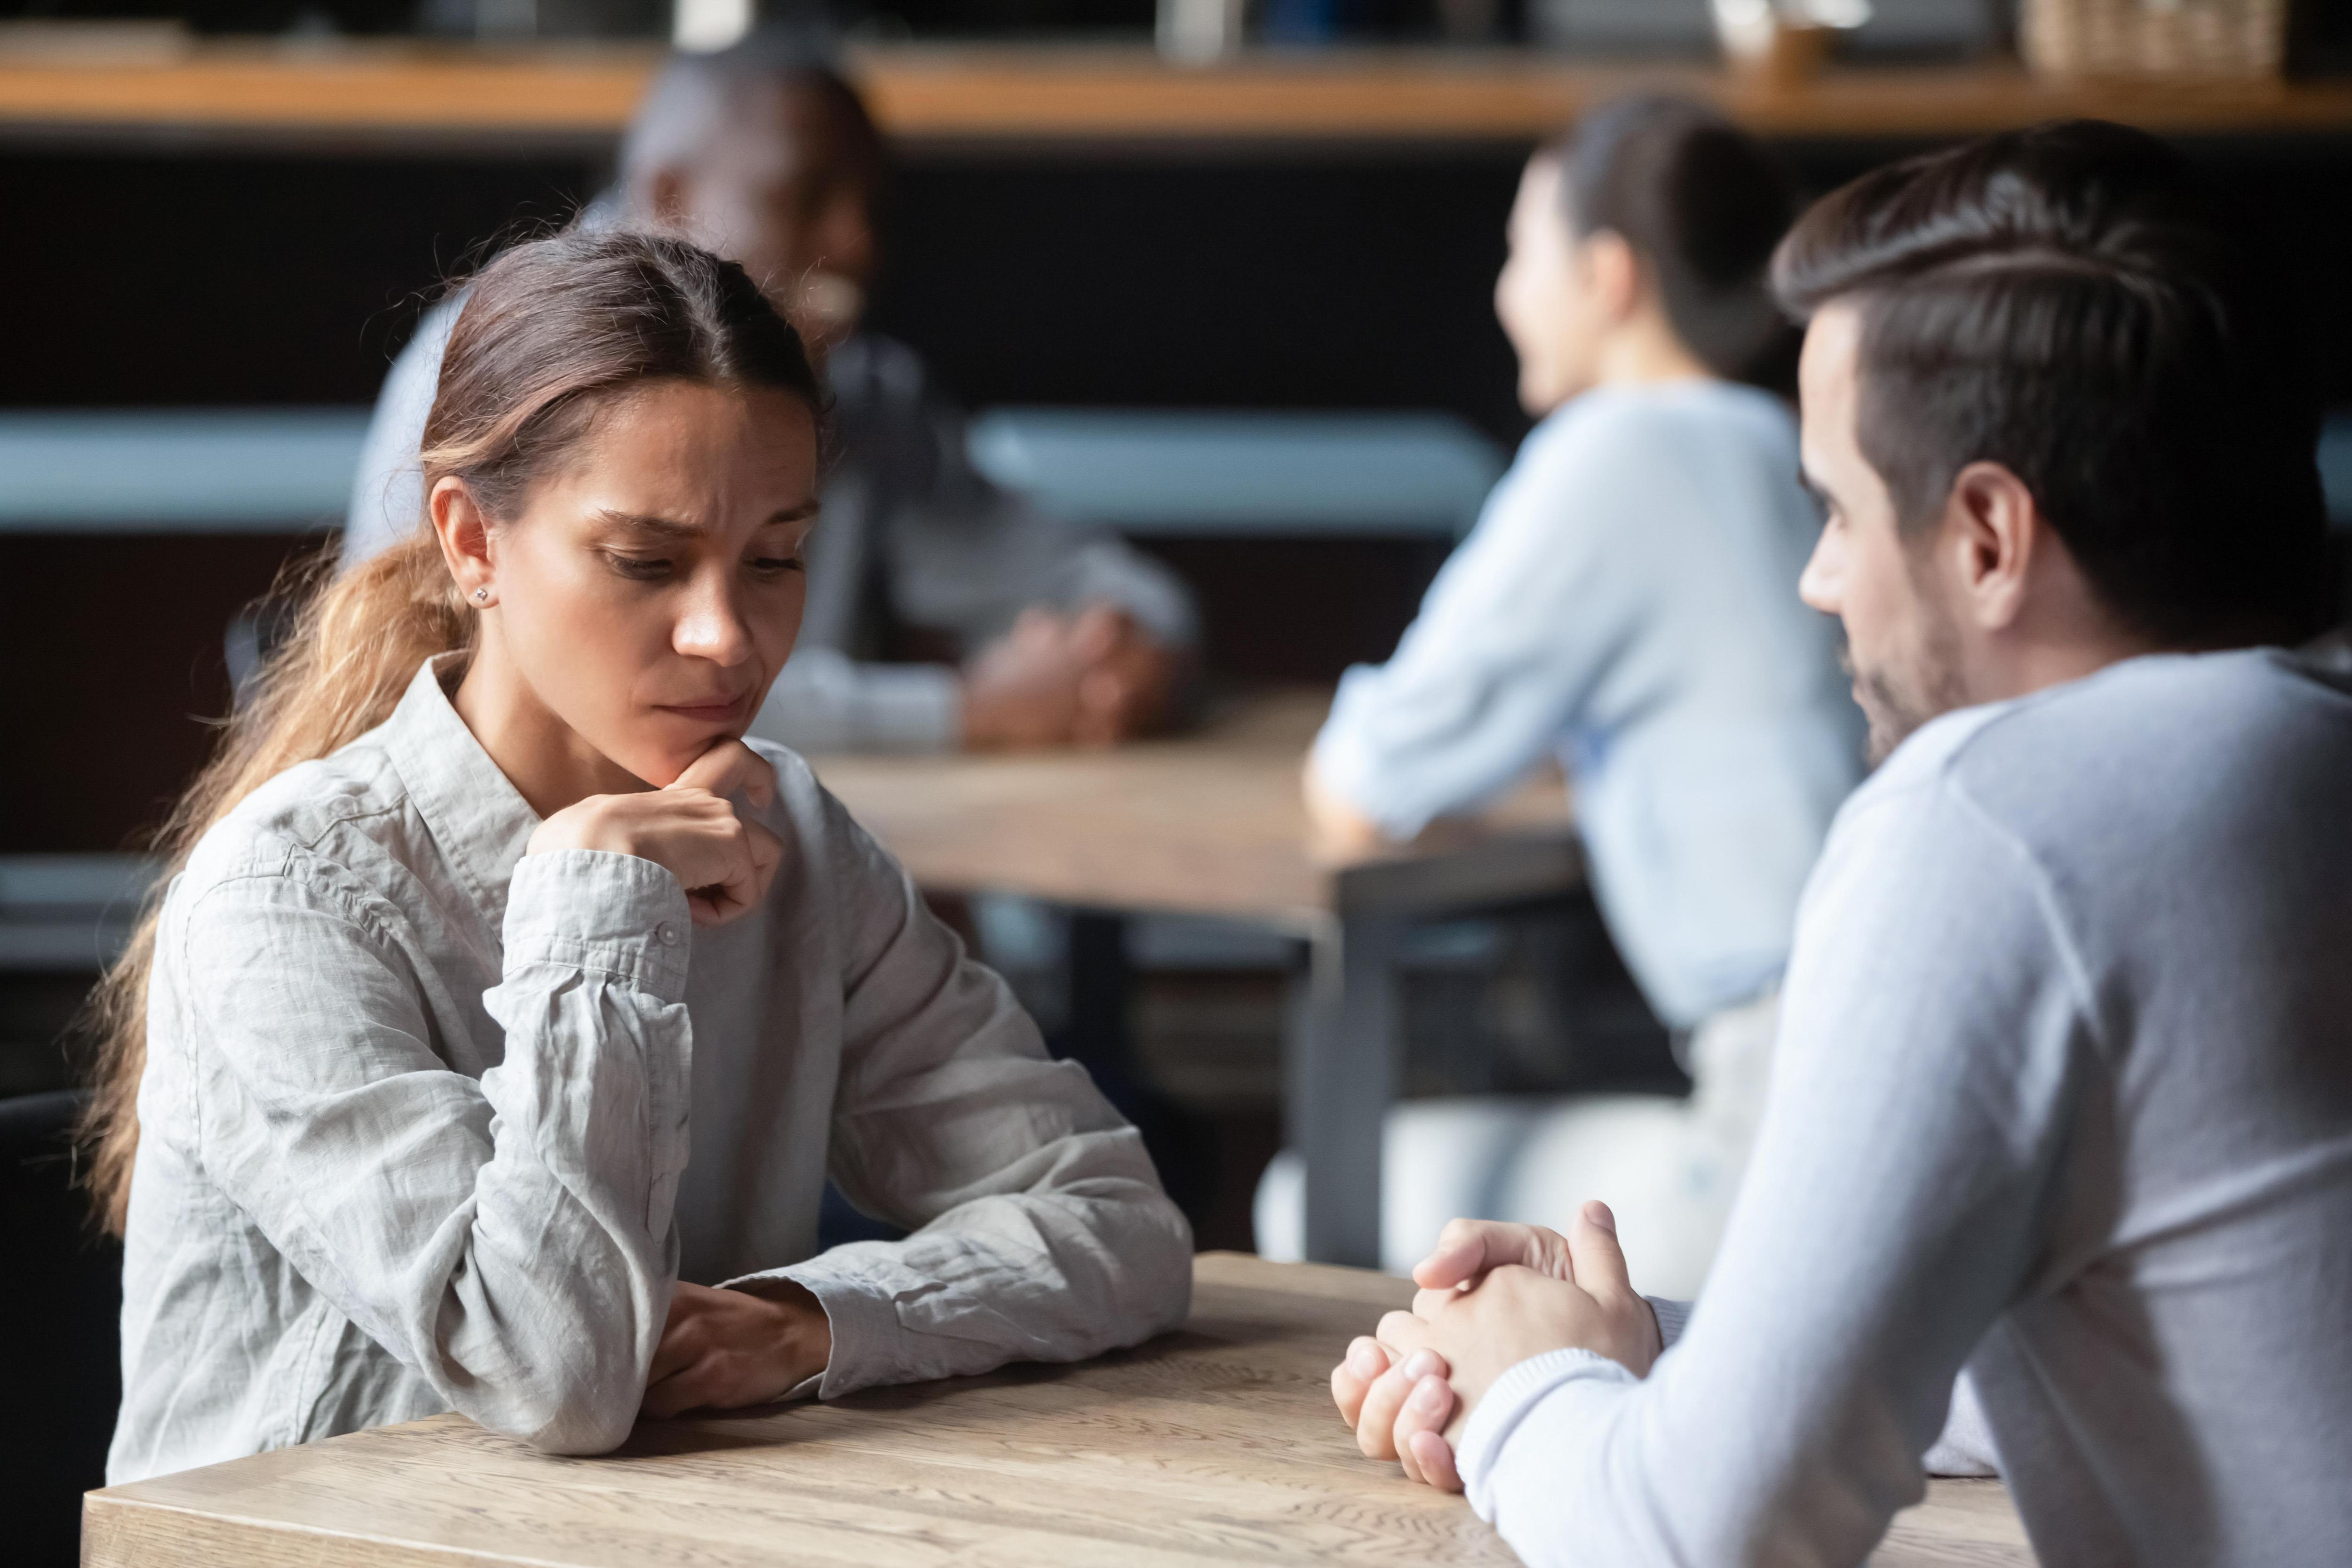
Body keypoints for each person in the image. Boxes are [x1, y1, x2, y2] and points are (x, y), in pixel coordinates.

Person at [1330, 120, 2349, 1567]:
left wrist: (1518, 1391)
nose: (1817, 581)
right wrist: (1626, 1346)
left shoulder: (1995, 818)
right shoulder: (2300, 748)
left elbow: (1701, 1538)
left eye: (1839, 511)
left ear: (1987, 536)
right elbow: (2081, 1345)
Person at [88, 229, 1192, 1486]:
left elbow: (1116, 1216)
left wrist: (814, 1322)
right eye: (646, 562)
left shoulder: (794, 838)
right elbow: (550, 1370)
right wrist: (594, 908)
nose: (728, 635)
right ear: (473, 541)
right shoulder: (285, 898)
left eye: (775, 558)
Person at [1276, 97, 1864, 1292]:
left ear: (1607, 278)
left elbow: (1364, 781)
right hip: (1868, 1066)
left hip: (1776, 1134)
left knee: (1305, 1192)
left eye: (1520, 255)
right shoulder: (1775, 439)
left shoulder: (1618, 450)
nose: (1505, 295)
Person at [344, 34, 1195, 754]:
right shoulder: (491, 365)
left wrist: (1122, 654)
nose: (858, 244)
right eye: (645, 560)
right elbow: (479, 690)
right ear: (670, 194)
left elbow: (1080, 579)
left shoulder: (860, 392)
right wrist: (961, 712)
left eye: (773, 556)